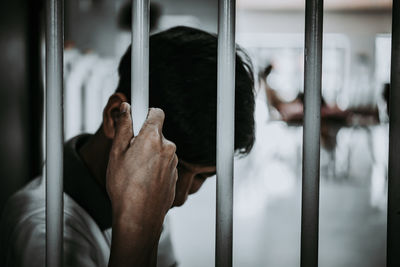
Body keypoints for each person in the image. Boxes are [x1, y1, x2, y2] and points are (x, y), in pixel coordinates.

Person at [0, 26, 255, 267]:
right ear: (116, 117)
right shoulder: (43, 231)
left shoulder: (153, 183)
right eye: (177, 167)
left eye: (203, 176)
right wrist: (136, 232)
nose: (179, 198)